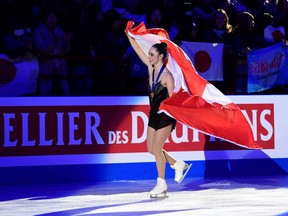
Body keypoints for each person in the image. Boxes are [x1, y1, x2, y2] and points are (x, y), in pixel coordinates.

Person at [125, 28, 191, 198]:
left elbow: (174, 100)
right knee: (150, 149)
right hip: (153, 113)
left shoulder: (168, 76)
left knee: (157, 147)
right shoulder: (151, 68)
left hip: (165, 115)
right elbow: (137, 50)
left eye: (152, 54)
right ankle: (177, 164)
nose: (149, 57)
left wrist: (173, 116)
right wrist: (129, 35)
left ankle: (161, 183)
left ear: (161, 56)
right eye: (150, 54)